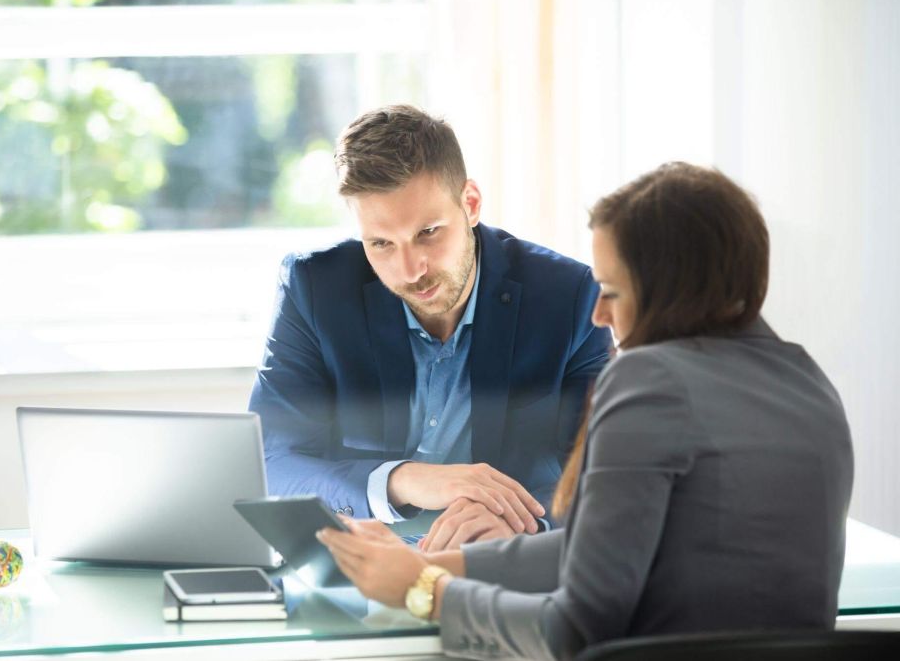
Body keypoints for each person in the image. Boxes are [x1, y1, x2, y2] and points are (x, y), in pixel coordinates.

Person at [317, 162, 854, 659]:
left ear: (672, 292)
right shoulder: (810, 385)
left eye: (613, 292)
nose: (599, 314)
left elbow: (577, 629)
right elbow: (596, 551)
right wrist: (432, 564)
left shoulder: (650, 379)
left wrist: (422, 589)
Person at [249, 105, 611, 545]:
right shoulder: (315, 289)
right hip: (355, 568)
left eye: (428, 232)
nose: (409, 270)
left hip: (499, 565)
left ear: (470, 204)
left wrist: (527, 524)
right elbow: (271, 462)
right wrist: (400, 481)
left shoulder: (569, 297)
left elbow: (604, 470)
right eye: (381, 243)